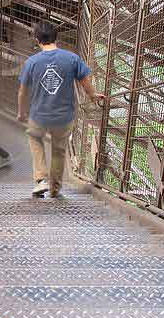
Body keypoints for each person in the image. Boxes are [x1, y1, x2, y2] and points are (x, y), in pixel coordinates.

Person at [17, 21, 106, 198]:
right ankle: (55, 188)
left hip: (39, 114)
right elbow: (85, 80)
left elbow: (23, 91)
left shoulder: (32, 62)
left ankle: (41, 179)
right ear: (56, 37)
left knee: (35, 139)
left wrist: (21, 112)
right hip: (65, 115)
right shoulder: (71, 58)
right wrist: (93, 96)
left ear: (37, 40)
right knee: (59, 149)